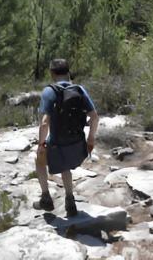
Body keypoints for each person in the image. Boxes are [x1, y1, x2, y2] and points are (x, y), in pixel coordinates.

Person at [33, 58, 98, 217]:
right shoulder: (80, 89)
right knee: (65, 165)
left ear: (52, 73)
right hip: (76, 143)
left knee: (39, 160)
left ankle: (46, 198)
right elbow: (94, 117)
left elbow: (44, 123)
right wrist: (90, 140)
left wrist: (41, 144)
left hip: (57, 144)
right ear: (68, 72)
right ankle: (70, 200)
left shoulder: (49, 91)